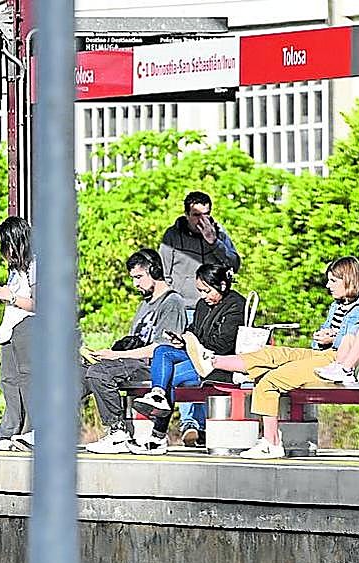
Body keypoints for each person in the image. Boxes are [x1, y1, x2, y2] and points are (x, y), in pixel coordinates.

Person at [183, 255, 359, 459]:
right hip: (322, 354)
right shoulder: (336, 305)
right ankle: (213, 361)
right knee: (271, 353)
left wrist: (333, 339)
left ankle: (271, 442)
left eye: (333, 281)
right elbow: (320, 340)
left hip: (339, 362)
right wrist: (320, 339)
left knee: (269, 379)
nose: (328, 285)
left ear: (348, 279)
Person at [128, 263, 244, 454]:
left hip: (218, 362)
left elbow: (223, 344)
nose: (203, 296)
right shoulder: (202, 305)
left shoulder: (236, 305)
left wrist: (192, 342)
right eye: (200, 291)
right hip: (197, 355)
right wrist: (181, 339)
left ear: (222, 285)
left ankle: (157, 436)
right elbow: (194, 331)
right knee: (162, 351)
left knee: (170, 376)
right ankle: (157, 395)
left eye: (207, 291)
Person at [157, 191, 241, 448]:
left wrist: (213, 241)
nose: (201, 220)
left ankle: (202, 425)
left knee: (203, 364)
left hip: (215, 305)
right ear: (187, 214)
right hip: (185, 305)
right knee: (183, 355)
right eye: (196, 215)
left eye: (206, 214)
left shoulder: (218, 233)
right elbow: (163, 271)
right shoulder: (173, 236)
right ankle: (189, 424)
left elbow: (234, 264)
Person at [83, 249, 186, 455]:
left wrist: (116, 356)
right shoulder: (144, 305)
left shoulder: (172, 303)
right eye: (133, 278)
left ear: (155, 272)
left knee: (99, 373)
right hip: (130, 362)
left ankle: (118, 433)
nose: (135, 284)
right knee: (77, 371)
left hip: (150, 367)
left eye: (139, 277)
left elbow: (161, 348)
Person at [0, 216, 36, 452]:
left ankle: (31, 431)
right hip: (10, 331)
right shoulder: (16, 269)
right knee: (9, 382)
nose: (3, 251)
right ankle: (9, 431)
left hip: (28, 329)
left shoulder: (36, 264)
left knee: (28, 382)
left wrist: (11, 297)